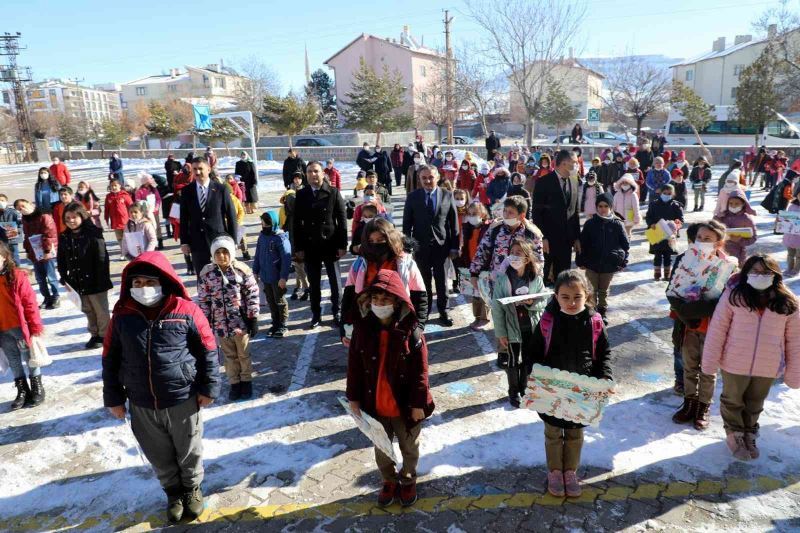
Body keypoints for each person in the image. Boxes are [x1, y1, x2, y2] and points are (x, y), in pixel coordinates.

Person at [102, 251, 219, 523]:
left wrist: (209, 388)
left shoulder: (186, 310)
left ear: (163, 282)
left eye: (149, 282)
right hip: (141, 401)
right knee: (158, 452)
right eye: (138, 283)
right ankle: (173, 493)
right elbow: (109, 358)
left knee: (188, 448)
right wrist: (114, 398)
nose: (144, 289)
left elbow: (208, 351)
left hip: (182, 398)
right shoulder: (122, 315)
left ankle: (191, 489)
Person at [345, 269, 434, 508]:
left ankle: (408, 479)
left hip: (405, 404)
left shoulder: (412, 330)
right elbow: (353, 366)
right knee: (382, 448)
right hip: (375, 403)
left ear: (397, 301)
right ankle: (388, 480)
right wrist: (353, 398)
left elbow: (421, 371)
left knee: (409, 447)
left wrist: (419, 403)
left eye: (385, 300)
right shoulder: (362, 329)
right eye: (375, 299)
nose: (379, 304)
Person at [702, 254, 800, 460]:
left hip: (768, 363)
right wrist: (709, 362)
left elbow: (795, 340)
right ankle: (735, 433)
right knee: (733, 400)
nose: (760, 275)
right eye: (754, 271)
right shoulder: (733, 297)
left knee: (755, 402)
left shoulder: (788, 302)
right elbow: (717, 330)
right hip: (734, 361)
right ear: (746, 273)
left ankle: (749, 432)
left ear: (775, 275)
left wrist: (794, 371)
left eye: (765, 272)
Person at [524, 269, 612, 498]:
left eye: (577, 297)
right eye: (565, 297)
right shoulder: (548, 321)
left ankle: (570, 472)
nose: (571, 302)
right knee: (553, 432)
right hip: (551, 391)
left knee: (574, 434)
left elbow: (604, 354)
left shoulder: (594, 321)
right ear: (556, 296)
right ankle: (555, 472)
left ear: (587, 295)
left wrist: (605, 377)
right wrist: (534, 379)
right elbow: (533, 353)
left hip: (581, 391)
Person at [667, 220, 733, 431]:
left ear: (718, 242)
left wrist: (697, 310)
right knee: (689, 367)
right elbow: (672, 291)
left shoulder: (727, 265)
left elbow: (723, 298)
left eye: (707, 239)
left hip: (713, 326)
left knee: (708, 370)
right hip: (688, 326)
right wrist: (686, 316)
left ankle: (703, 406)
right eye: (699, 238)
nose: (702, 242)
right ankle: (689, 403)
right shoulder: (684, 260)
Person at [341, 217, 428, 345]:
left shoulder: (405, 264)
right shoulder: (359, 265)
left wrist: (419, 327)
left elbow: (420, 296)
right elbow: (348, 298)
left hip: (399, 324)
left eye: (380, 240)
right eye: (371, 241)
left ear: (390, 239)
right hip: (367, 323)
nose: (375, 244)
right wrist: (344, 329)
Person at [198, 236, 259, 401]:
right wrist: (205, 323)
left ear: (231, 253)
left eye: (225, 252)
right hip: (221, 325)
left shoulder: (241, 271)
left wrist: (252, 318)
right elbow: (204, 300)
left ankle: (246, 382)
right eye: (218, 252)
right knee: (229, 356)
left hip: (240, 323)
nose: (222, 256)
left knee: (243, 355)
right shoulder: (207, 274)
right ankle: (235, 383)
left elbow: (252, 294)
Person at [292, 161, 348, 328]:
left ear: (323, 173)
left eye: (315, 171)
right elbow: (297, 224)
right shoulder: (301, 195)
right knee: (314, 283)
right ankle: (316, 315)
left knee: (335, 282)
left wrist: (342, 245)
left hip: (330, 244)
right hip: (310, 246)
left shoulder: (333, 192)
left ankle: (337, 311)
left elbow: (342, 221)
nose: (312, 174)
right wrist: (299, 248)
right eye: (309, 172)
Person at [492, 238, 547, 407]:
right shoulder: (503, 279)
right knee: (513, 360)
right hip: (511, 328)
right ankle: (513, 391)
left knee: (529, 360)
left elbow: (543, 300)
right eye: (512, 253)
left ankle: (524, 387)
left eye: (519, 253)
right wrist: (501, 333)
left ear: (527, 257)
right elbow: (497, 307)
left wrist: (532, 303)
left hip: (531, 327)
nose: (514, 256)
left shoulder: (535, 278)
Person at [402, 165, 460, 327]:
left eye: (430, 177)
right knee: (423, 282)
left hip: (442, 246)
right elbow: (407, 224)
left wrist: (455, 247)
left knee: (442, 282)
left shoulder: (447, 195)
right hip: (420, 248)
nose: (428, 181)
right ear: (420, 179)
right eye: (424, 178)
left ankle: (444, 311)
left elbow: (453, 223)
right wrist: (408, 247)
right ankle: (424, 312)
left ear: (438, 177)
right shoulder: (413, 197)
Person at [57, 202, 112, 349]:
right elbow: (61, 257)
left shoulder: (93, 233)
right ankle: (94, 334)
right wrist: (63, 274)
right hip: (77, 280)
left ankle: (104, 335)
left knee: (100, 310)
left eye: (74, 217)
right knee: (87, 309)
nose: (71, 221)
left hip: (95, 280)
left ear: (82, 216)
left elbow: (102, 258)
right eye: (67, 218)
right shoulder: (65, 236)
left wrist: (101, 278)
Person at [0, 241, 46, 410]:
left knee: (29, 358)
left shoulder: (16, 276)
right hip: (3, 330)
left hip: (20, 328)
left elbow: (29, 303)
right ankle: (22, 390)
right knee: (13, 360)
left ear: (4, 258)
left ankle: (37, 387)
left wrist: (35, 327)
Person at [179, 156, 239, 275]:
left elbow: (231, 215)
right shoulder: (187, 191)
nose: (197, 172)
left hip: (219, 240)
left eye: (200, 168)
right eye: (194, 169)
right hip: (197, 241)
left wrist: (233, 240)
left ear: (209, 169)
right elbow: (184, 218)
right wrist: (184, 241)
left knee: (223, 274)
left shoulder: (221, 189)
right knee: (202, 276)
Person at [532, 149, 582, 284]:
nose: (577, 165)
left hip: (566, 241)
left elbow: (575, 211)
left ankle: (559, 305)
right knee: (542, 277)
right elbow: (537, 213)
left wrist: (577, 237)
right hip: (547, 241)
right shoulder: (543, 182)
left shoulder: (574, 180)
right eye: (575, 162)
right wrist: (542, 237)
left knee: (563, 279)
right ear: (564, 163)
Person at [577, 192, 629, 318]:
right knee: (591, 290)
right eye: (600, 206)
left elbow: (625, 245)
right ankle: (591, 312)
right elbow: (582, 244)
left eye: (606, 206)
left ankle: (602, 312)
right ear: (596, 207)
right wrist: (580, 260)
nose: (603, 209)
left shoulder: (617, 224)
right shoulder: (590, 224)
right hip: (592, 264)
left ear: (611, 207)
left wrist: (623, 261)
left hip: (609, 264)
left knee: (603, 291)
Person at [15, 199, 60, 309]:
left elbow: (50, 234)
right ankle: (46, 297)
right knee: (40, 278)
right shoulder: (26, 219)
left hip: (46, 251)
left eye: (23, 206)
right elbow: (26, 236)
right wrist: (27, 250)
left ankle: (56, 296)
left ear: (30, 204)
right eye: (19, 209)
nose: (22, 209)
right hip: (35, 252)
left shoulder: (44, 216)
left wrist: (47, 251)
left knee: (51, 276)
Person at [253, 212, 292, 338]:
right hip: (265, 276)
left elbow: (286, 259)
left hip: (276, 276)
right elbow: (258, 254)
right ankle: (275, 322)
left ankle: (283, 323)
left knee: (279, 300)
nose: (263, 225)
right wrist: (255, 271)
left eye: (266, 223)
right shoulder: (262, 236)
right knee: (270, 300)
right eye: (263, 222)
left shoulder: (280, 238)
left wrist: (283, 277)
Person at [458, 202, 492, 330]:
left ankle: (484, 318)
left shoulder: (488, 228)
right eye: (470, 214)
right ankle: (477, 317)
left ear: (483, 214)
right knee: (475, 294)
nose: (472, 217)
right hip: (471, 266)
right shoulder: (467, 228)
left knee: (483, 293)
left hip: (484, 267)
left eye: (475, 214)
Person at [645, 184, 684, 281]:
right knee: (657, 254)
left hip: (670, 235)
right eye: (664, 193)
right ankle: (657, 273)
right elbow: (648, 217)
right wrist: (651, 223)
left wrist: (677, 223)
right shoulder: (653, 204)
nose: (666, 195)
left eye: (669, 193)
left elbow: (680, 219)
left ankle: (667, 274)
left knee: (668, 255)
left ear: (673, 194)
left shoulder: (676, 205)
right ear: (660, 193)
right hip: (657, 233)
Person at [279, 174, 309, 301]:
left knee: (299, 266)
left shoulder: (296, 214)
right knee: (298, 266)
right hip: (293, 243)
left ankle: (306, 288)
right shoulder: (285, 212)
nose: (288, 203)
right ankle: (299, 287)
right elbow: (282, 225)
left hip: (298, 244)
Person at [713, 190, 757, 268]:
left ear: (743, 204)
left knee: (734, 275)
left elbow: (753, 238)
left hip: (738, 254)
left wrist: (740, 240)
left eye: (737, 204)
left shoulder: (746, 219)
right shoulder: (722, 216)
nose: (733, 206)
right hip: (720, 252)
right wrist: (716, 219)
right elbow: (712, 230)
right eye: (731, 203)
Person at [104, 178, 133, 259]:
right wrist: (107, 219)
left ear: (119, 185)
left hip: (125, 221)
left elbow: (131, 207)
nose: (113, 187)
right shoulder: (109, 197)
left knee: (127, 237)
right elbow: (107, 210)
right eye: (111, 186)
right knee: (119, 238)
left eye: (115, 185)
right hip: (115, 222)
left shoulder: (125, 195)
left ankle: (130, 251)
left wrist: (132, 218)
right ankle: (123, 252)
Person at [134, 174, 164, 250]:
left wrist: (156, 208)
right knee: (148, 228)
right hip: (145, 213)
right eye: (150, 179)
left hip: (154, 212)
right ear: (146, 181)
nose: (152, 181)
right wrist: (144, 206)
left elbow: (158, 199)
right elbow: (137, 201)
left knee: (157, 226)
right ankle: (151, 242)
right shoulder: (139, 191)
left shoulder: (154, 189)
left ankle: (160, 240)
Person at [612, 173, 641, 239]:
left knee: (627, 232)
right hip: (618, 216)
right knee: (619, 232)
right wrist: (612, 215)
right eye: (623, 183)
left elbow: (636, 207)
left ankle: (627, 244)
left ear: (631, 184)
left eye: (626, 183)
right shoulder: (617, 194)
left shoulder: (633, 195)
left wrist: (636, 216)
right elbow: (613, 205)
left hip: (629, 216)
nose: (624, 184)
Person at [0, 193, 23, 263]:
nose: (0, 202)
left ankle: (17, 271)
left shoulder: (13, 212)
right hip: (2, 240)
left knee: (14, 255)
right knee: (4, 257)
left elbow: (21, 225)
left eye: (2, 200)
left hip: (13, 239)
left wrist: (16, 231)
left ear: (6, 202)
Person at [783, 186, 800, 276]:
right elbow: (786, 218)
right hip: (790, 235)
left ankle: (796, 269)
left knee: (799, 255)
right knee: (790, 254)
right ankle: (789, 267)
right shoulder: (792, 206)